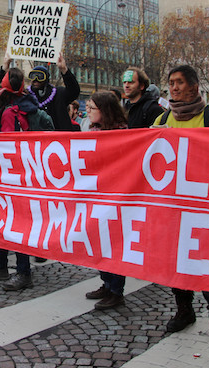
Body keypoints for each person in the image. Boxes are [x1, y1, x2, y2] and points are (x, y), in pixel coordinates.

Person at [151, 65, 209, 352]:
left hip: (207, 208)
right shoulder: (162, 120)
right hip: (174, 208)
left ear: (194, 86)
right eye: (170, 83)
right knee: (177, 263)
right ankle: (184, 310)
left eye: (179, 83)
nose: (174, 88)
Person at [0, 67, 54, 289]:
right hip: (25, 175)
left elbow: (7, 143)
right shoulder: (27, 106)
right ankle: (0, 266)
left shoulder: (11, 111)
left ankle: (23, 272)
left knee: (13, 224)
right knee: (6, 222)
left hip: (13, 177)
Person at [82, 91, 129, 309]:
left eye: (91, 108)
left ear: (105, 110)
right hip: (96, 194)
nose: (87, 112)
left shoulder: (122, 134)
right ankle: (106, 282)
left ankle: (116, 290)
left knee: (113, 244)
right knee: (98, 242)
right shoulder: (93, 131)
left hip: (116, 196)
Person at [26, 54, 80, 130]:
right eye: (33, 76)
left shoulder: (58, 94)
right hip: (35, 139)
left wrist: (64, 70)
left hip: (58, 138)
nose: (35, 79)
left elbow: (74, 91)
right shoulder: (26, 96)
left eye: (40, 76)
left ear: (46, 79)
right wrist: (5, 68)